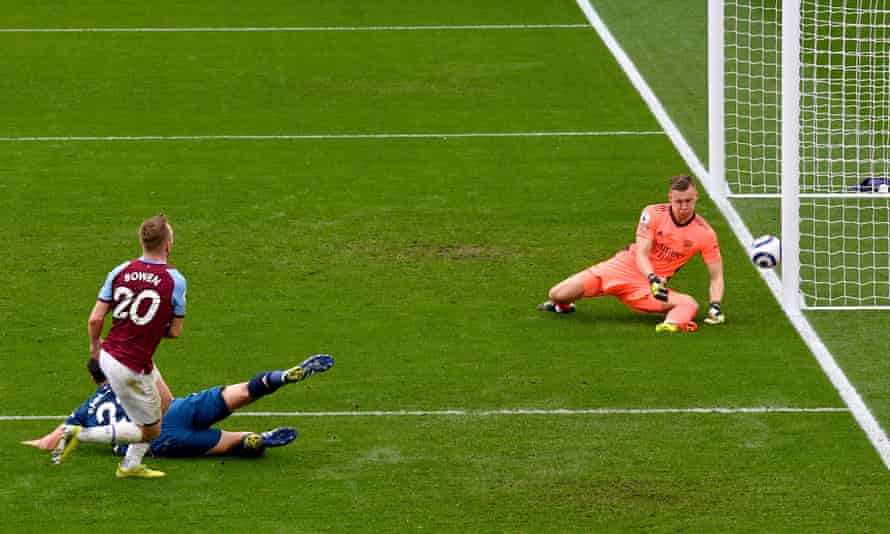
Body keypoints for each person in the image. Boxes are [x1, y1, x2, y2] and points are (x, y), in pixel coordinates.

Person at [53, 214, 187, 478]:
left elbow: (95, 319)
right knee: (152, 430)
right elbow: (174, 332)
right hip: (132, 364)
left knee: (165, 401)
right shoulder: (175, 280)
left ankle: (131, 465)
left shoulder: (120, 270)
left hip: (109, 354)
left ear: (142, 241)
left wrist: (95, 349)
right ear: (168, 245)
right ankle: (80, 434)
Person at [29, 355, 334, 458]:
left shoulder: (86, 409)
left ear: (93, 378)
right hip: (174, 412)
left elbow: (55, 438)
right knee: (240, 391)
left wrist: (39, 442)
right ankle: (279, 377)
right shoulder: (129, 378)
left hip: (158, 442)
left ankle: (254, 440)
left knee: (227, 443)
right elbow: (165, 396)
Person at [538, 174, 725, 332]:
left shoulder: (705, 234)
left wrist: (715, 305)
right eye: (679, 201)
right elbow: (641, 254)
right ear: (670, 198)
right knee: (557, 293)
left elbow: (716, 276)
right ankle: (563, 307)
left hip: (646, 288)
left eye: (688, 201)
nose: (684, 206)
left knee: (688, 303)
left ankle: (670, 326)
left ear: (696, 197)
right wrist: (652, 277)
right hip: (623, 267)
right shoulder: (652, 213)